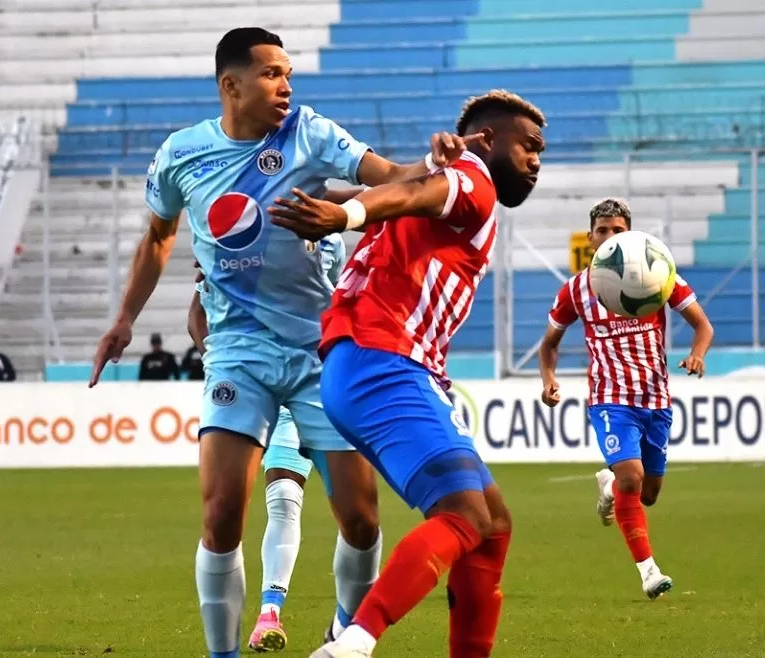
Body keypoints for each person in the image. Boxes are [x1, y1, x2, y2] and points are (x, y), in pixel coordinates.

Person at [88, 27, 470, 658]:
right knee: (220, 516)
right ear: (230, 85)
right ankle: (224, 654)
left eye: (289, 74)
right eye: (271, 74)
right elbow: (159, 237)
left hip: (324, 351)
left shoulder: (310, 133)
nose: (286, 86)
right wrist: (125, 318)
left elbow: (394, 176)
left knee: (361, 518)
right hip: (238, 346)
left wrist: (437, 162)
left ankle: (343, 631)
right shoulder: (182, 155)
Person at [269, 89, 545, 658]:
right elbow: (420, 190)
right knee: (464, 513)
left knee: (492, 525)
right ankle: (352, 644)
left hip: (374, 363)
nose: (537, 161)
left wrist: (331, 203)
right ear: (488, 141)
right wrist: (346, 214)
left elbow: (400, 191)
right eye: (530, 146)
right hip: (384, 359)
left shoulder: (448, 176)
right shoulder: (473, 178)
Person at [538, 197, 715, 599]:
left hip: (655, 399)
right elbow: (549, 344)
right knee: (632, 478)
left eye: (618, 230)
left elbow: (703, 326)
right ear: (591, 237)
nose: (609, 237)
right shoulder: (576, 290)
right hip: (610, 400)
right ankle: (648, 571)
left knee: (647, 493)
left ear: (629, 234)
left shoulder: (657, 273)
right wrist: (548, 379)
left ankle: (608, 485)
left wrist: (697, 354)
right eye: (602, 231)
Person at [188, 235, 347, 652]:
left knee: (353, 514)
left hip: (309, 380)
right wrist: (221, 360)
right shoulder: (239, 229)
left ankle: (342, 623)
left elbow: (337, 307)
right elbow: (197, 313)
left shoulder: (330, 239)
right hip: (254, 377)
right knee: (276, 499)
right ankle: (269, 613)